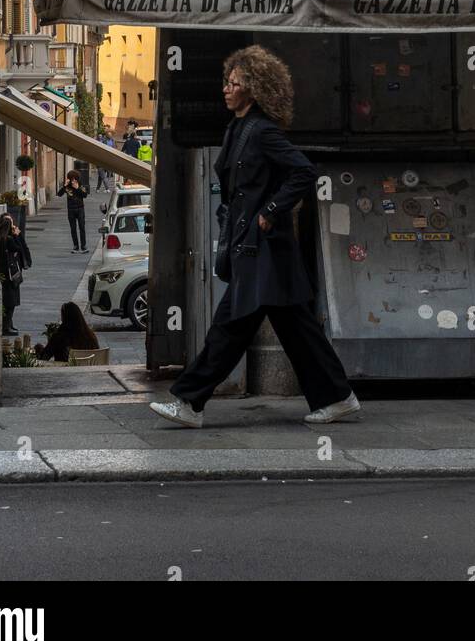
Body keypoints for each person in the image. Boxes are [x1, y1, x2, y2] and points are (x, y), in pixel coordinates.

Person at [150, 45, 360, 429]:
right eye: (226, 82)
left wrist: (270, 211)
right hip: (257, 250)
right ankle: (338, 397)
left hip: (265, 250)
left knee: (230, 327)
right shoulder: (238, 128)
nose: (226, 89)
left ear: (255, 89)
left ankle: (188, 401)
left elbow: (303, 171)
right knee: (297, 331)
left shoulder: (262, 131)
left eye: (234, 83)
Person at [0, 214, 32, 336]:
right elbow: (22, 250)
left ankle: (9, 325)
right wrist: (19, 235)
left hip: (3, 274)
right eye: (12, 223)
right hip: (11, 275)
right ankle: (7, 327)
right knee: (11, 303)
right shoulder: (10, 240)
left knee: (8, 302)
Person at [35, 301, 100, 362]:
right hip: (90, 372)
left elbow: (43, 358)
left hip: (65, 372)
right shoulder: (90, 336)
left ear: (64, 318)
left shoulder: (59, 337)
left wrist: (39, 349)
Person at [58, 169, 89, 252]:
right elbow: (59, 194)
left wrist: (77, 188)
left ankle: (83, 246)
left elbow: (85, 195)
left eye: (75, 179)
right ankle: (75, 246)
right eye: (72, 179)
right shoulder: (67, 186)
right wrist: (64, 185)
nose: (73, 181)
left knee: (82, 227)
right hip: (71, 209)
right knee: (73, 228)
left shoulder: (81, 185)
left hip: (80, 209)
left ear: (77, 179)